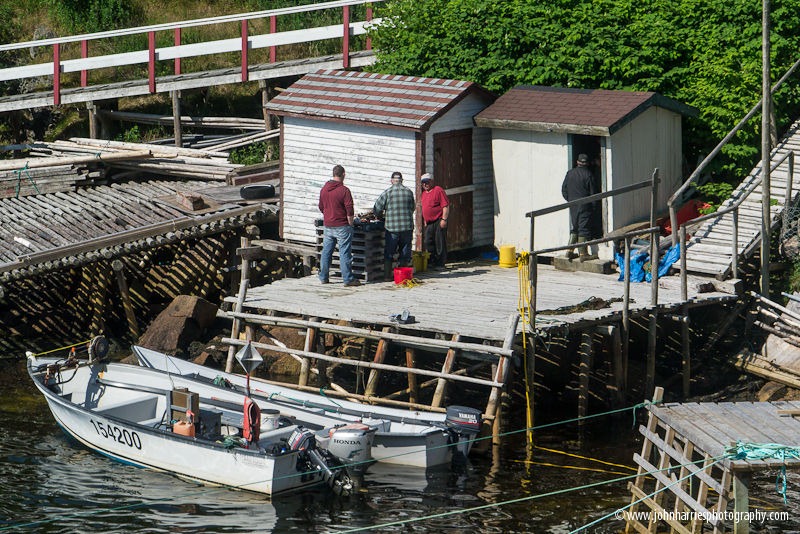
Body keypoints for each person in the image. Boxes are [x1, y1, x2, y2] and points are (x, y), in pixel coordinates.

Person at [318, 164, 360, 286]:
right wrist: (351, 224)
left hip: (328, 225)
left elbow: (321, 206)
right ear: (343, 175)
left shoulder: (324, 189)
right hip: (342, 225)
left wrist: (328, 215)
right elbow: (349, 210)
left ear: (333, 174)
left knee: (326, 252)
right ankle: (347, 279)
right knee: (344, 252)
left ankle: (323, 277)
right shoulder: (344, 190)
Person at [373, 171, 416, 280]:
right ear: (402, 181)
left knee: (389, 252)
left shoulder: (387, 192)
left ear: (392, 181)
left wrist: (379, 215)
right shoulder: (409, 192)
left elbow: (377, 208)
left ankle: (387, 276)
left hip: (392, 228)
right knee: (405, 252)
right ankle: (403, 277)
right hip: (407, 227)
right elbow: (412, 208)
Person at [561, 153, 597, 261]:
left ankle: (569, 251)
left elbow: (564, 190)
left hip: (573, 205)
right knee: (583, 229)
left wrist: (570, 201)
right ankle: (583, 254)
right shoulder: (589, 175)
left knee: (575, 227)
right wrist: (594, 207)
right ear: (587, 163)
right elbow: (593, 194)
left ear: (577, 162)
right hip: (585, 205)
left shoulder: (570, 173)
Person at [420, 173, 449, 270]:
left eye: (427, 182)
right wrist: (424, 220)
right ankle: (432, 261)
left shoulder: (438, 190)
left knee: (440, 242)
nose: (425, 184)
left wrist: (444, 219)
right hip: (429, 223)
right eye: (423, 183)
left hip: (438, 220)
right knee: (428, 242)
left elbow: (445, 206)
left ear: (432, 181)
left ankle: (440, 263)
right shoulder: (423, 194)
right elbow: (424, 208)